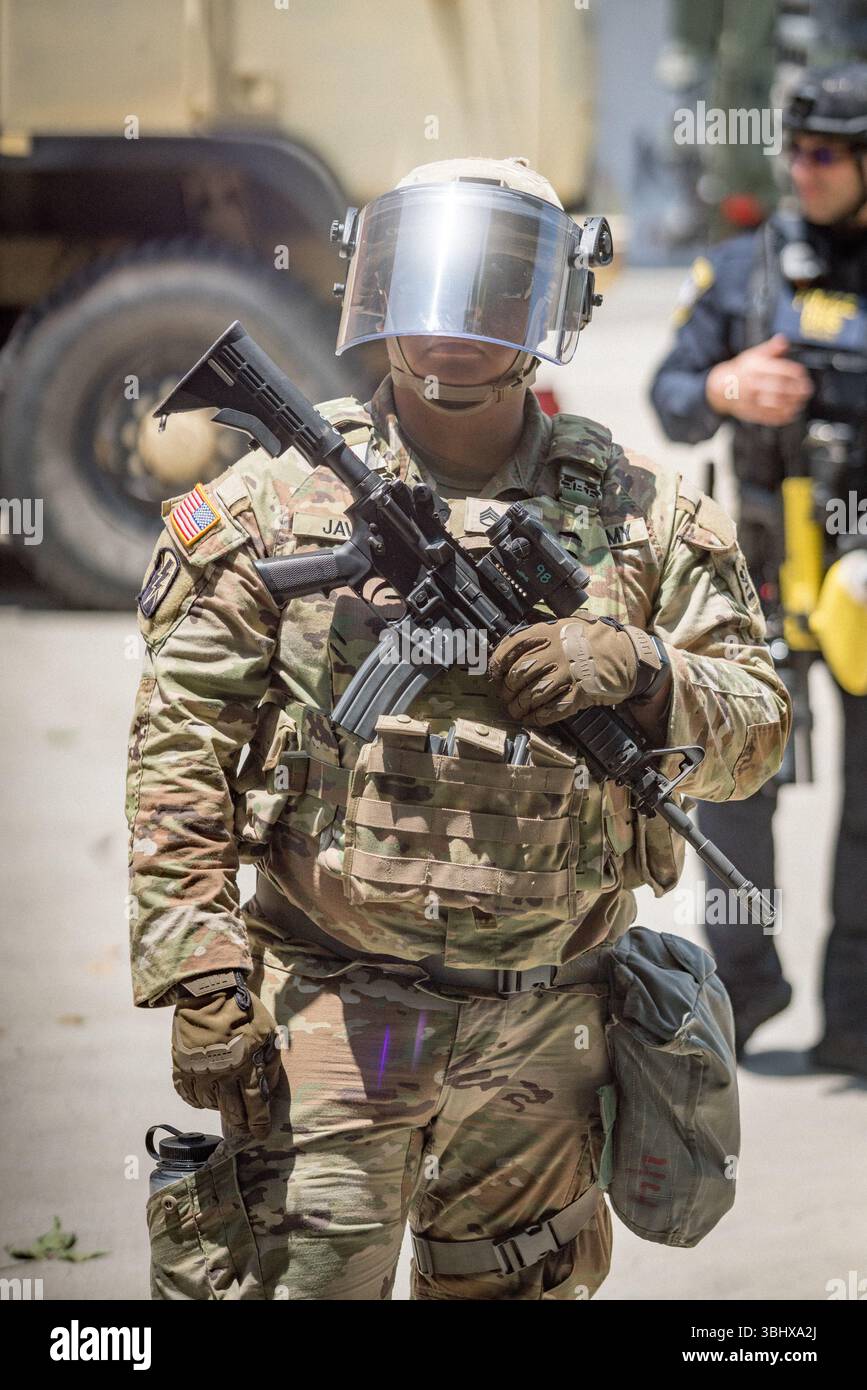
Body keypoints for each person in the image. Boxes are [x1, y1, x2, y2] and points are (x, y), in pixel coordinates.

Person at [127, 155, 790, 1301]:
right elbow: (180, 754)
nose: (449, 328)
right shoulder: (273, 507)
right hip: (328, 1016)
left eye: (488, 295)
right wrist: (200, 978)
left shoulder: (642, 520)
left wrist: (636, 666)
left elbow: (756, 732)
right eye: (425, 289)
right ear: (380, 296)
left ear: (547, 315)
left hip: (547, 1030)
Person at [650, 64, 867, 1075]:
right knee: (733, 785)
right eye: (794, 148)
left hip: (862, 574)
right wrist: (729, 384)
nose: (801, 169)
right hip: (765, 571)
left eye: (824, 153)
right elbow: (671, 392)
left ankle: (856, 1014)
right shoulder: (742, 271)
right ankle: (743, 981)